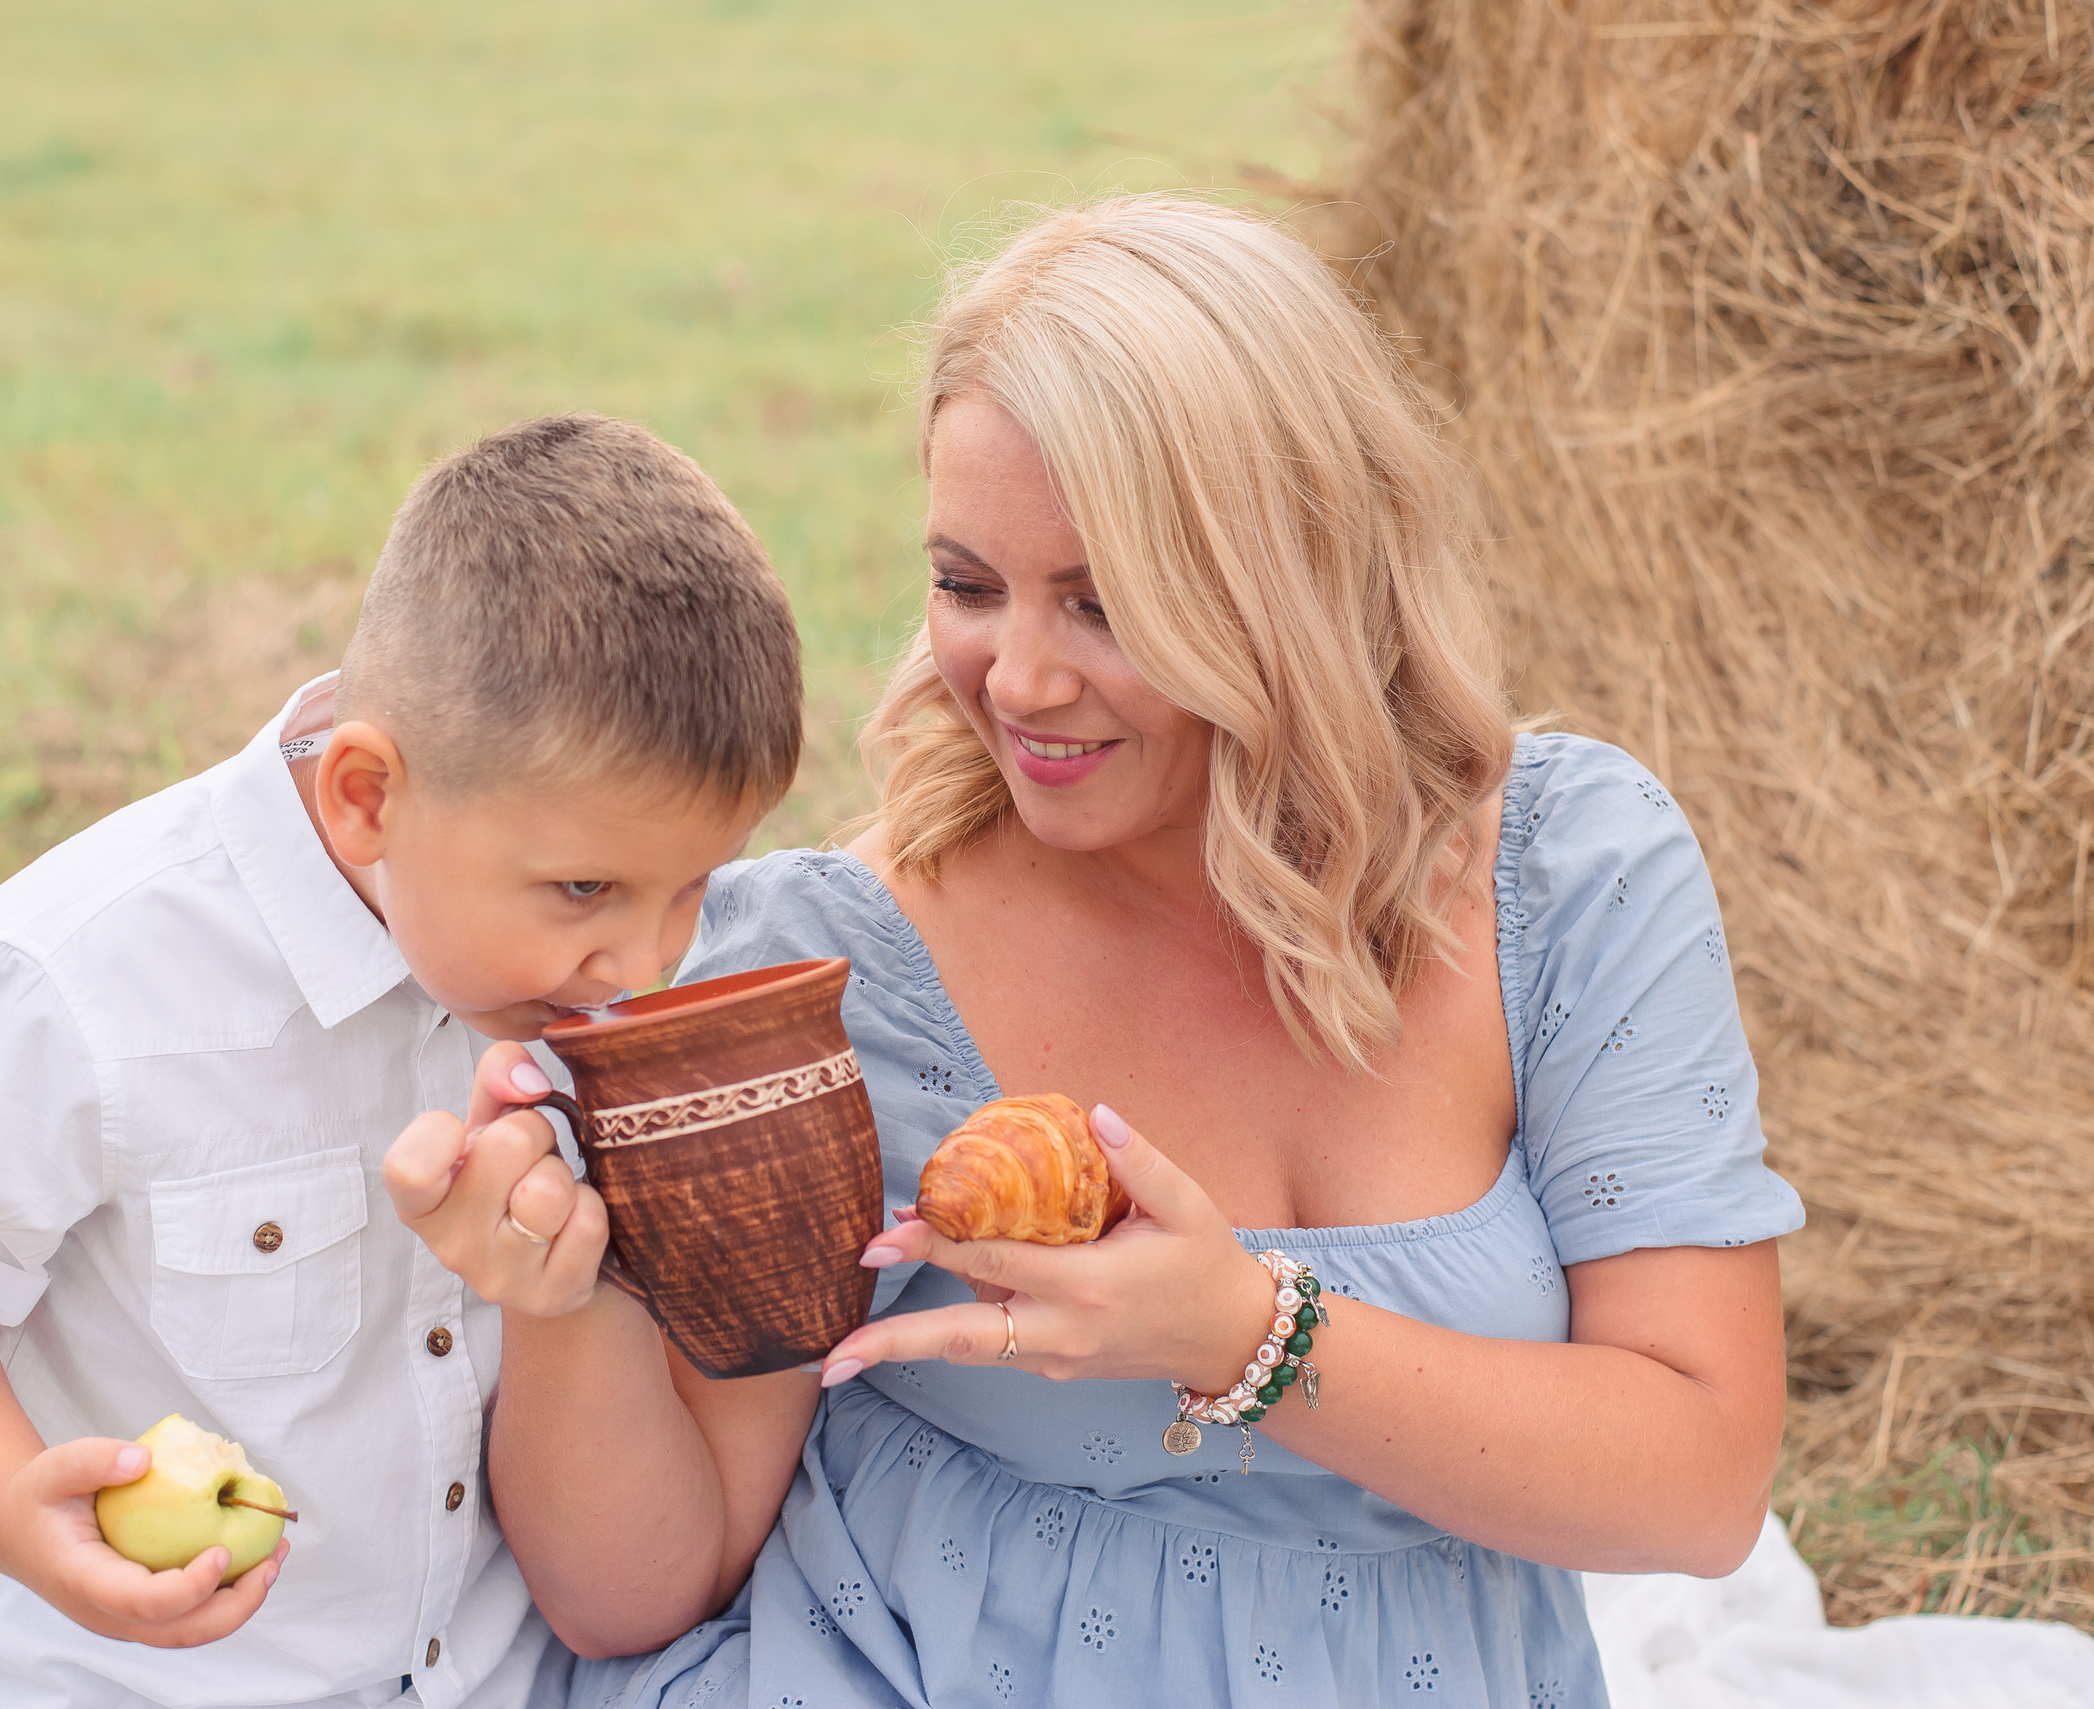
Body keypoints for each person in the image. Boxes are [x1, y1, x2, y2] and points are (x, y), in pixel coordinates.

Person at [396, 198, 1805, 1707]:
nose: (1017, 678)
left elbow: (1700, 1488)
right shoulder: (828, 965)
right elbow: (637, 1593)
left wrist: (1244, 1335)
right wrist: (564, 1301)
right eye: (967, 585)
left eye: (1104, 602)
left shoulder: (1569, 874)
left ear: (1298, 579)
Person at [0, 415, 804, 1709]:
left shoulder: (559, 977)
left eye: (693, 885)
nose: (645, 961)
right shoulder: (88, 976)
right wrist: (8, 1505)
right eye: (584, 889)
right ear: (366, 796)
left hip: (485, 1672)